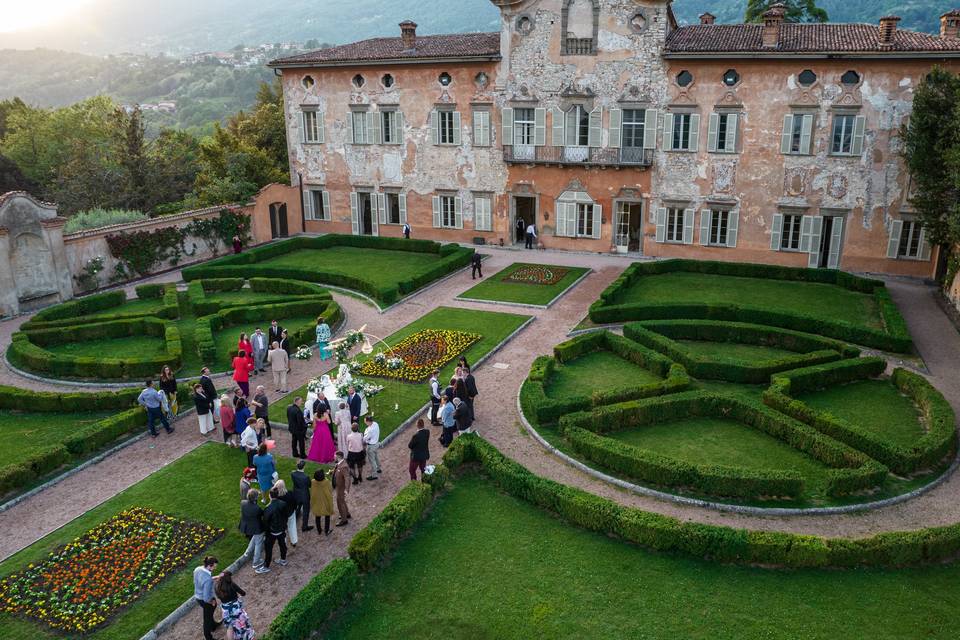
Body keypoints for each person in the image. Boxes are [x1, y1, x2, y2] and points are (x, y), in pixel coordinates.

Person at [216, 570, 254, 640]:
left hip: (225, 609)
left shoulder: (217, 586)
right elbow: (243, 593)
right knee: (243, 626)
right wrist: (239, 596)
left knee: (230, 627)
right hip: (235, 609)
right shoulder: (232, 585)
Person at [239, 488, 267, 574]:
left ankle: (247, 554)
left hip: (248, 526)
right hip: (257, 528)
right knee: (258, 544)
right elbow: (263, 514)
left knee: (254, 539)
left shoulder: (243, 503)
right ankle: (256, 562)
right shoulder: (257, 508)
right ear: (255, 498)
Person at [193, 555, 221, 640]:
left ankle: (213, 626)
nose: (215, 568)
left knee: (209, 613)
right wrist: (211, 602)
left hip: (198, 596)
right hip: (204, 599)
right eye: (214, 567)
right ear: (209, 565)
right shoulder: (207, 579)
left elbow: (200, 580)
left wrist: (213, 578)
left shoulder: (197, 569)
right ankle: (208, 637)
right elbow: (206, 598)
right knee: (207, 619)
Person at [262, 489, 288, 569]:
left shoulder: (268, 508)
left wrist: (266, 532)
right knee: (283, 545)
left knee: (269, 549)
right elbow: (286, 516)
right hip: (281, 529)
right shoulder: (283, 504)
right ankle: (283, 560)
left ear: (270, 496)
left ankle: (266, 566)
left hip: (272, 532)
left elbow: (265, 522)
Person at [272, 479, 300, 546]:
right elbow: (295, 502)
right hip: (290, 513)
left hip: (281, 516)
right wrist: (295, 509)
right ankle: (294, 541)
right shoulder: (290, 493)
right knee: (292, 527)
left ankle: (284, 544)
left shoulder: (276, 497)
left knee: (283, 530)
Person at [291, 460, 314, 532]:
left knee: (297, 507)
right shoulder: (306, 477)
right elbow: (310, 485)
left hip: (296, 493)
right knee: (306, 511)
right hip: (304, 495)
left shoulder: (293, 474)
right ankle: (304, 526)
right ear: (304, 466)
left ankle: (295, 518)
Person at [310, 469, 334, 535]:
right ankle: (326, 531)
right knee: (327, 516)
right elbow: (330, 491)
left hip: (316, 501)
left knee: (317, 516)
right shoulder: (326, 482)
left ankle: (319, 530)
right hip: (325, 501)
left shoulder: (313, 482)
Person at [333, 452, 351, 526]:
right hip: (338, 486)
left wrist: (346, 489)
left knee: (340, 503)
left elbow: (347, 478)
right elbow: (338, 472)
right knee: (342, 501)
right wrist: (332, 472)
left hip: (341, 487)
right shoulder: (340, 463)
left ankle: (344, 520)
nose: (333, 457)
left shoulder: (343, 466)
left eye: (334, 456)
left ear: (338, 456)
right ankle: (346, 514)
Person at [363, 415, 381, 480]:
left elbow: (365, 439)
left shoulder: (370, 430)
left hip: (371, 446)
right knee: (376, 457)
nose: (365, 422)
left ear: (368, 421)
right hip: (376, 444)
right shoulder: (375, 424)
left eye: (365, 421)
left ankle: (374, 475)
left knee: (372, 460)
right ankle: (379, 468)